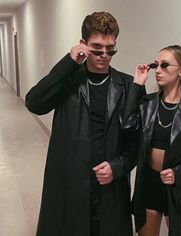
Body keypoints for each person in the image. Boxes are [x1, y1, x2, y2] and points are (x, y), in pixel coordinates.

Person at [25, 11, 142, 236]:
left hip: (109, 183)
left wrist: (117, 167)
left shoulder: (128, 86)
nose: (104, 55)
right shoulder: (68, 81)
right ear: (83, 45)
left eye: (111, 49)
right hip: (71, 180)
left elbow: (137, 143)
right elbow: (34, 103)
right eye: (97, 48)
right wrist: (68, 63)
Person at [121, 45, 181, 236]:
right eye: (156, 66)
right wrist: (137, 85)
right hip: (149, 183)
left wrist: (180, 173)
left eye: (165, 65)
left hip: (177, 187)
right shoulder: (148, 103)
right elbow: (127, 125)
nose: (159, 71)